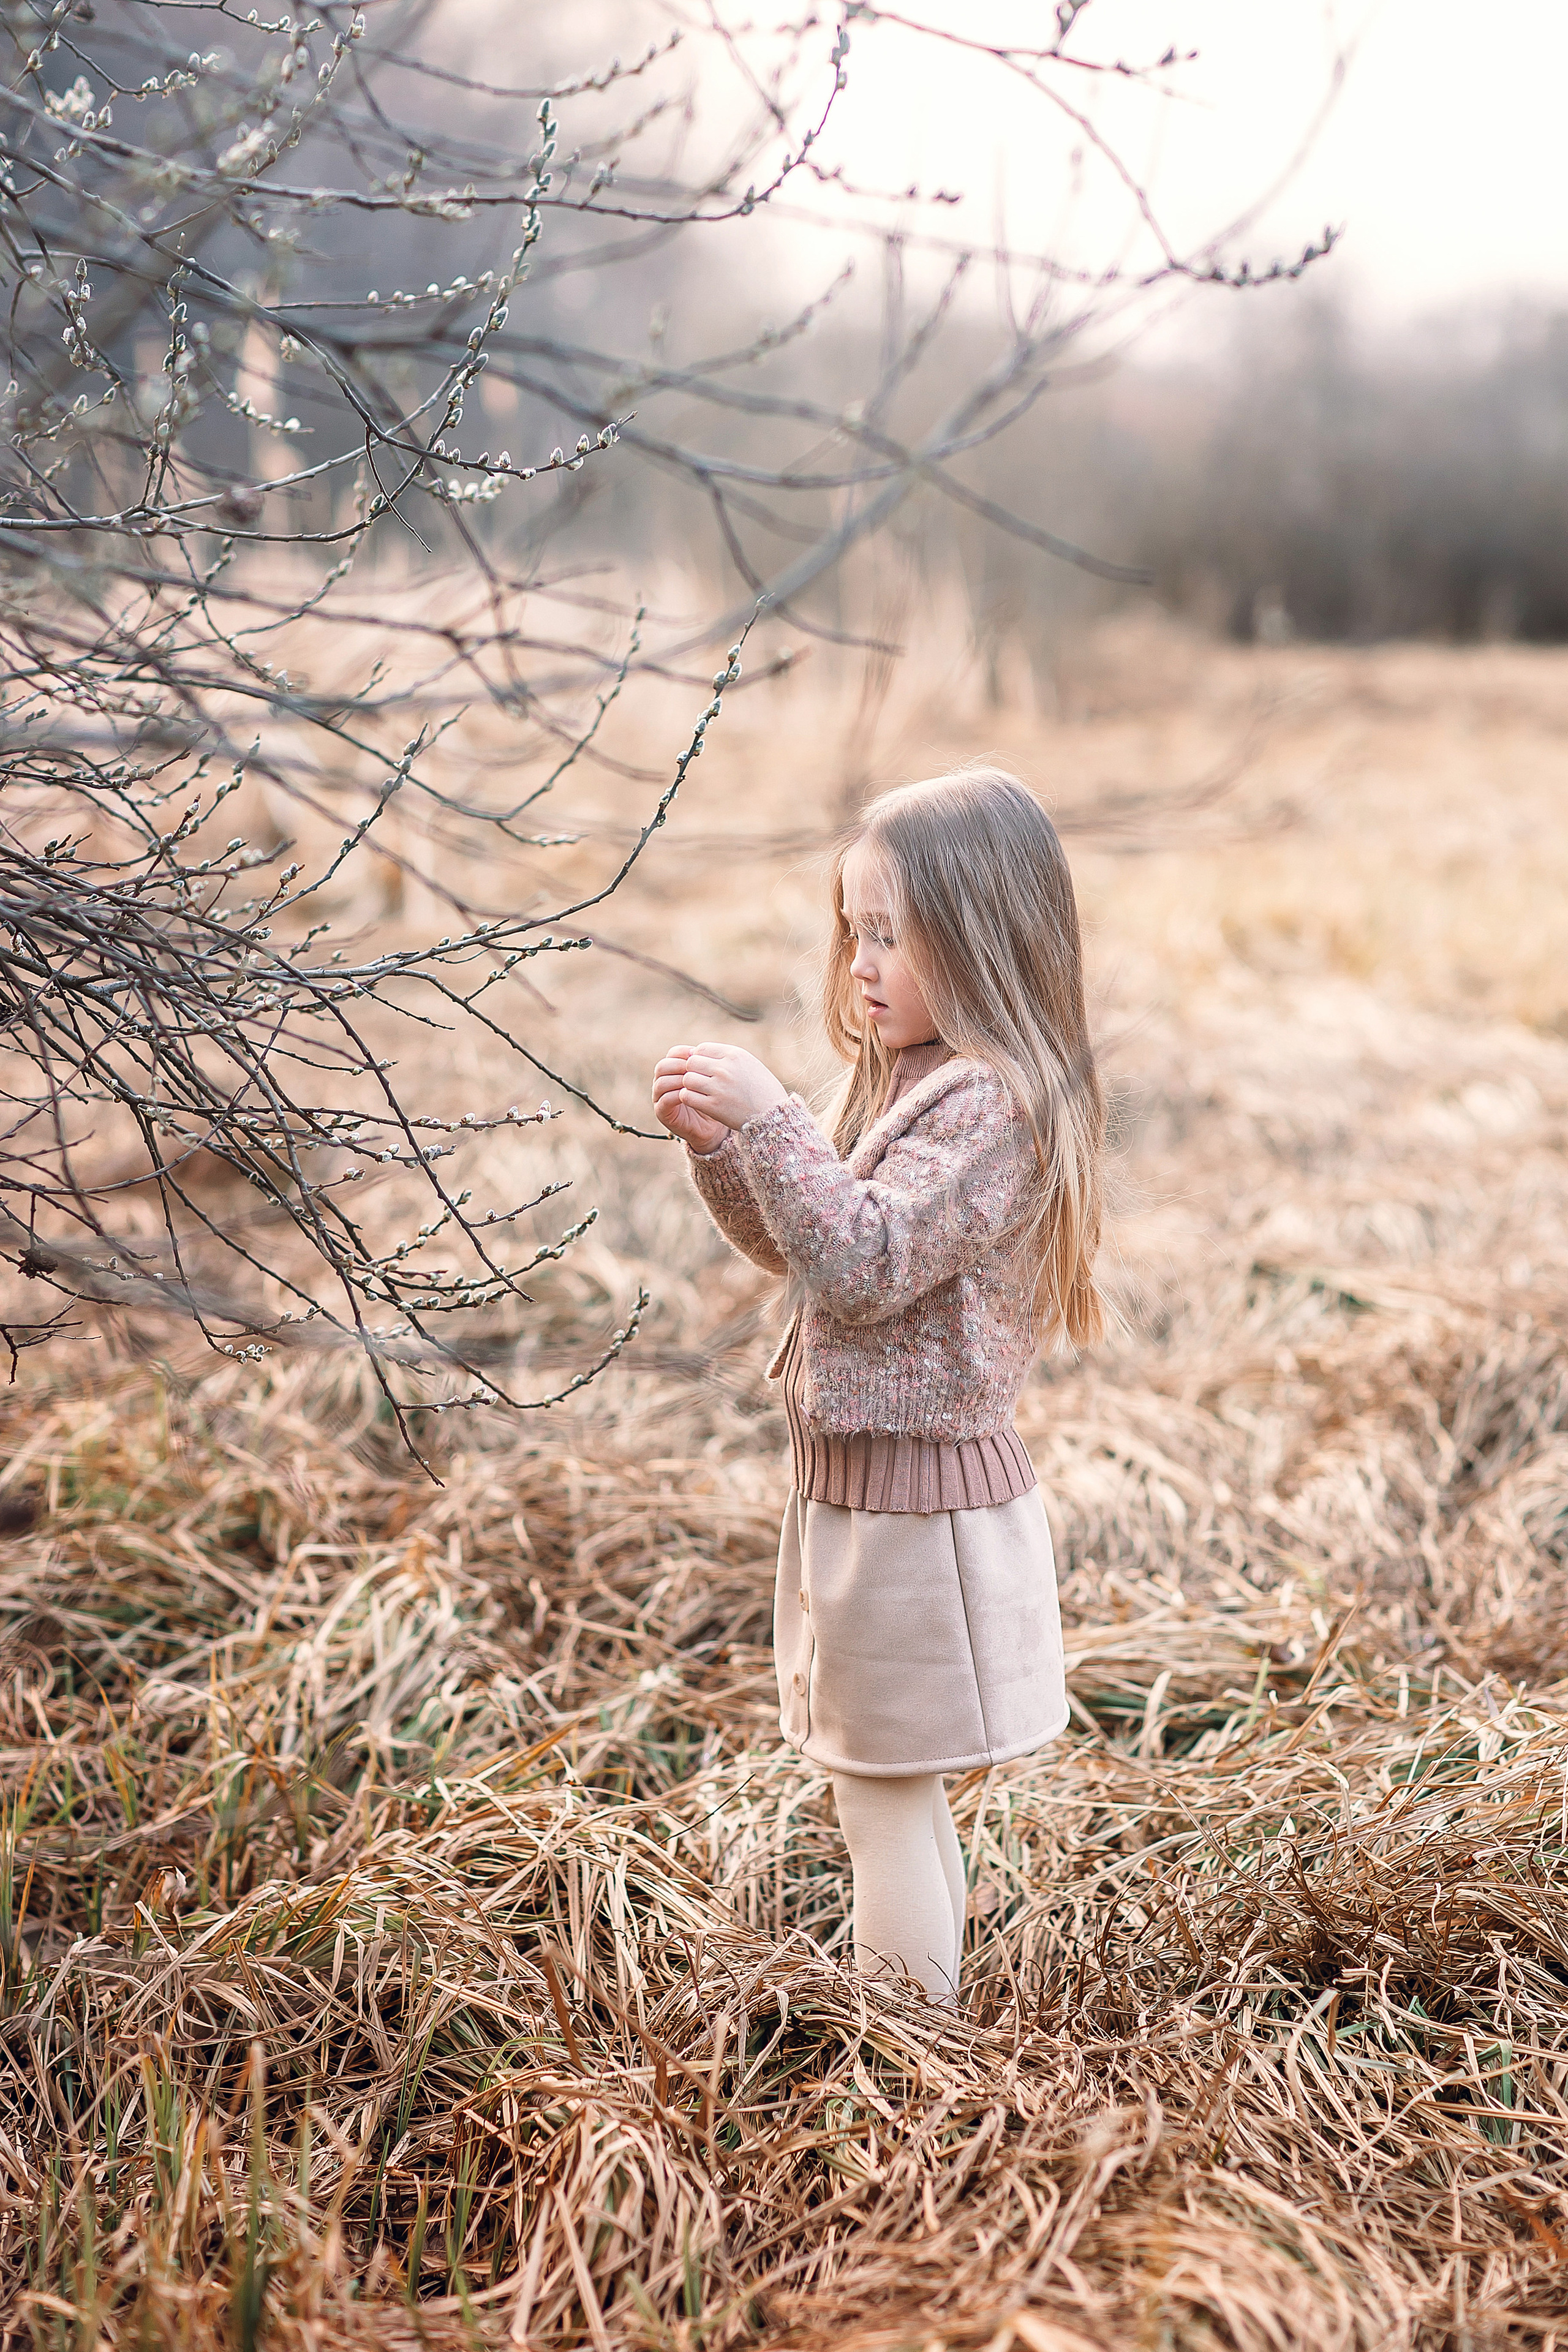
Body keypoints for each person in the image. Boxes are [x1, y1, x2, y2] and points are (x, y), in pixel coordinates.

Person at [651, 768, 1106, 2006]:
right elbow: (808, 1244)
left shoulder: (992, 1107)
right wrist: (731, 1150)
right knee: (882, 1793)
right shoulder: (914, 1079)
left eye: (894, 935)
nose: (862, 962)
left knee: (882, 1798)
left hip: (919, 1517)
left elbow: (863, 1265)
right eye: (854, 929)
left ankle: (906, 2053)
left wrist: (775, 1118)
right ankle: (927, 2029)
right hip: (863, 1499)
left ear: (985, 939)